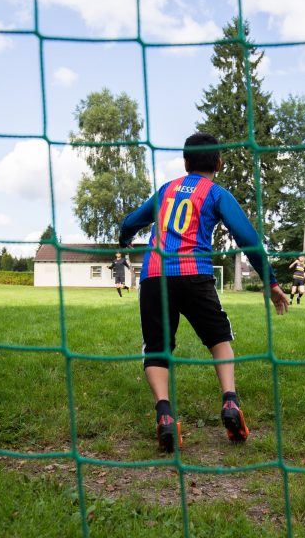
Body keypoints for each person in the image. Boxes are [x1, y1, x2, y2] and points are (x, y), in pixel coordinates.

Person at [119, 132, 290, 453]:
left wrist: (124, 236)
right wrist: (270, 282)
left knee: (156, 348)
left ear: (186, 162)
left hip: (155, 275)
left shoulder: (166, 190)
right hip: (195, 275)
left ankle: (166, 416)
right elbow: (247, 236)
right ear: (219, 162)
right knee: (219, 339)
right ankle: (229, 402)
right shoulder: (216, 193)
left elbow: (133, 220)